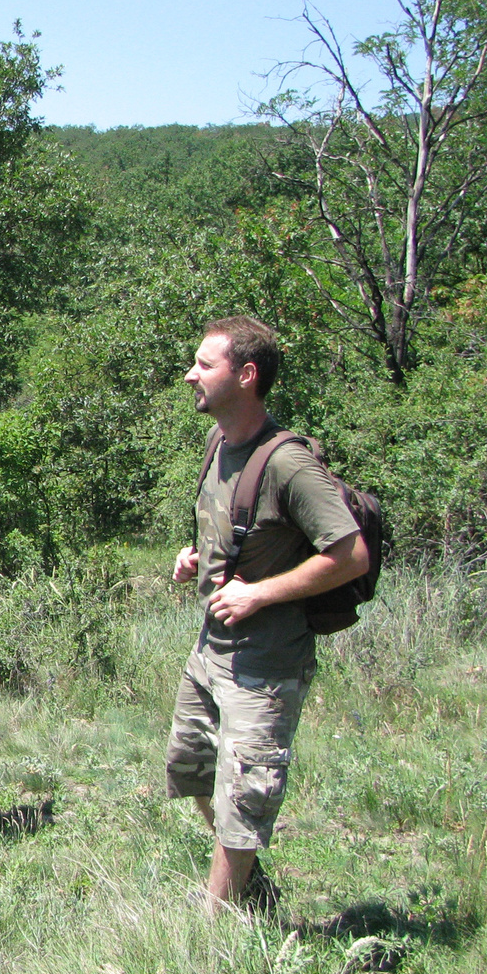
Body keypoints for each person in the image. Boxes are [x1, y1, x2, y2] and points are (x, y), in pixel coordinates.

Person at [168, 317, 369, 912]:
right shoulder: (220, 444)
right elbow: (233, 532)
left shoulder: (288, 463)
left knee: (243, 798)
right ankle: (251, 888)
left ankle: (218, 931)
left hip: (265, 663)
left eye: (204, 365)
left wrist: (259, 594)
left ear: (246, 375)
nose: (190, 375)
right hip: (212, 649)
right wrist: (194, 558)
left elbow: (350, 554)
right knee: (191, 768)